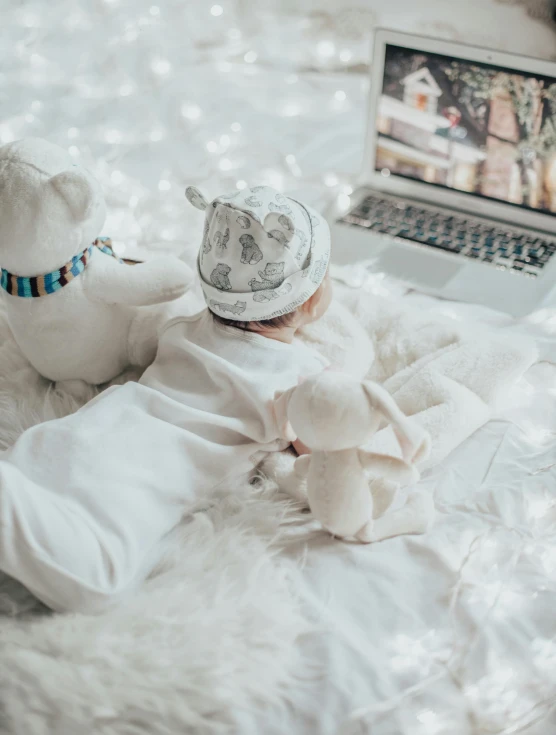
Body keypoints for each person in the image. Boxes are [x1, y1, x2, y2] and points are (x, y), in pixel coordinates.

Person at [0, 185, 332, 614]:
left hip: (74, 439)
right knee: (99, 581)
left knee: (44, 496)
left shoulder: (185, 327)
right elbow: (324, 443)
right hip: (139, 484)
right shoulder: (300, 375)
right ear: (313, 299)